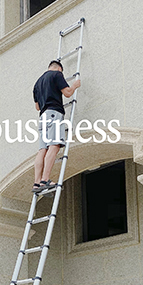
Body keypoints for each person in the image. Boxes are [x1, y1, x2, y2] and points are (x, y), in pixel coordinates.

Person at [32, 60, 81, 193]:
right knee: (54, 146)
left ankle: (37, 182)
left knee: (42, 149)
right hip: (54, 113)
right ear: (59, 69)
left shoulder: (37, 83)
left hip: (42, 117)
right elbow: (68, 93)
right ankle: (45, 179)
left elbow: (37, 107)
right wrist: (75, 85)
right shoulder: (57, 75)